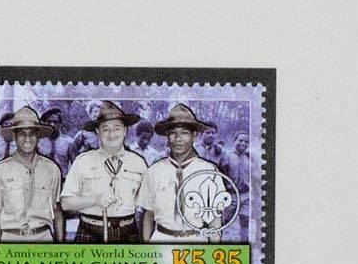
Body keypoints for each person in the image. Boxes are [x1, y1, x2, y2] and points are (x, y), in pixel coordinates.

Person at [138, 103, 236, 247]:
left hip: (196, 241)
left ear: (194, 135)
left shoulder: (209, 171)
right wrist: (147, 248)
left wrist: (213, 249)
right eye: (173, 133)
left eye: (184, 133)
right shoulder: (154, 171)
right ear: (167, 136)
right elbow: (148, 214)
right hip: (161, 239)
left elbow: (215, 218)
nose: (178, 138)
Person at [60, 99, 150, 241]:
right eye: (105, 129)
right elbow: (66, 203)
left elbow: (147, 203)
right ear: (97, 131)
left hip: (128, 233)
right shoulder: (82, 161)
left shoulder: (138, 163)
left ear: (125, 131)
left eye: (117, 128)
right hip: (90, 232)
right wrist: (95, 200)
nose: (111, 134)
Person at [0, 106, 63, 244]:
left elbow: (56, 210)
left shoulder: (52, 169)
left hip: (43, 239)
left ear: (38, 136)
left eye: (32, 134)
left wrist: (60, 246)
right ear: (14, 136)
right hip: (10, 240)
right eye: (22, 134)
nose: (27, 139)